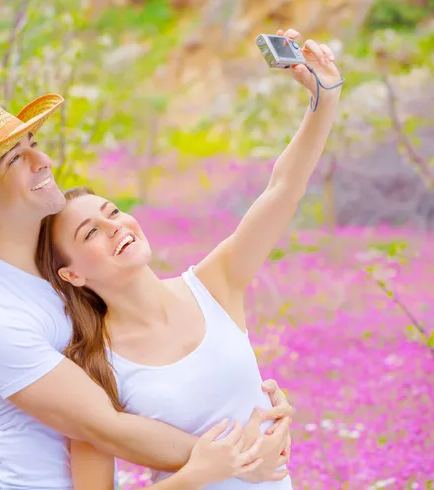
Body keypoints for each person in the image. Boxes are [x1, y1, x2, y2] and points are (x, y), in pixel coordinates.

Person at [0, 29, 299, 490]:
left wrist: (250, 405)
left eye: (33, 144)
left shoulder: (50, 258)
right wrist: (245, 453)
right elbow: (104, 426)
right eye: (15, 159)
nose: (42, 161)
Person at [35, 29, 343, 489]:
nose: (116, 226)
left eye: (113, 211)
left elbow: (283, 188)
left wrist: (325, 98)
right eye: (91, 232)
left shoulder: (214, 284)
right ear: (72, 273)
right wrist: (197, 474)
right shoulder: (94, 369)